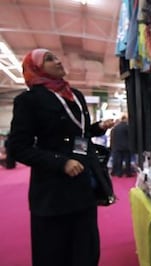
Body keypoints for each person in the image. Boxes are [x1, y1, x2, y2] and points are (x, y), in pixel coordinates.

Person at [7, 48, 114, 266]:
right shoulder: (29, 100)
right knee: (55, 253)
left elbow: (76, 134)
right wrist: (60, 162)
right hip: (54, 191)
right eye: (49, 59)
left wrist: (97, 128)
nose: (57, 61)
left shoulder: (76, 95)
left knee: (87, 250)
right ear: (36, 68)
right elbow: (18, 146)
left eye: (56, 57)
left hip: (84, 184)